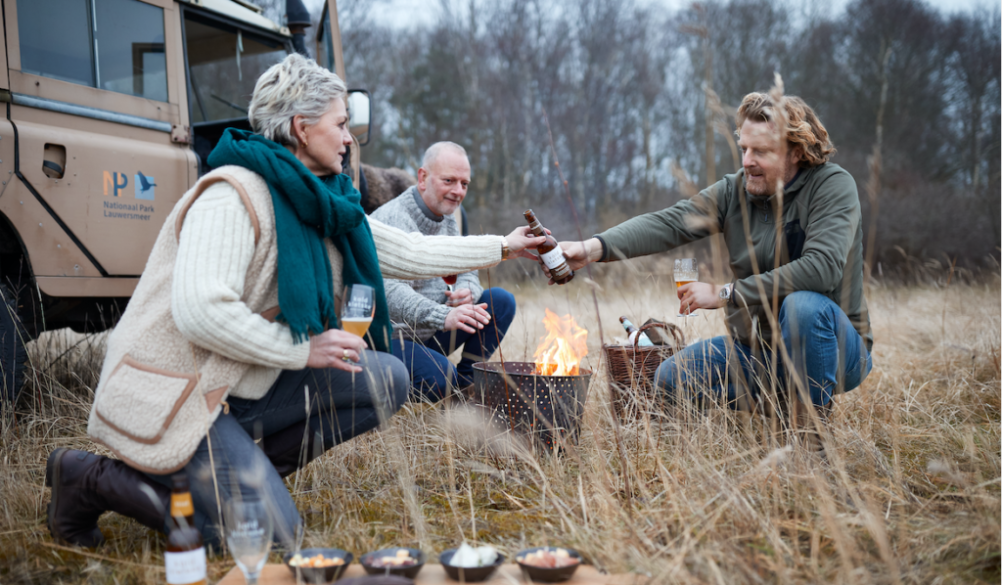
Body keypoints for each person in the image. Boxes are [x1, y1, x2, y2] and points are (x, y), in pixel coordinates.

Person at [44, 54, 545, 549]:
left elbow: (411, 250)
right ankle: (85, 477)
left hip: (239, 382)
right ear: (302, 128)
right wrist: (301, 351)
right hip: (177, 390)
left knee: (387, 375)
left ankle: (244, 478)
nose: (350, 138)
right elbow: (201, 311)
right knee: (266, 538)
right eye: (341, 124)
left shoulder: (319, 201)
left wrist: (506, 245)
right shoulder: (232, 194)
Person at [557, 93, 872, 446]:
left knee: (803, 307)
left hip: (836, 349)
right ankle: (779, 411)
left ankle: (810, 444)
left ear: (795, 151)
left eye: (762, 152)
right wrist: (592, 248)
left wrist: (726, 292)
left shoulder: (832, 186)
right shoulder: (734, 190)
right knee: (670, 377)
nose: (747, 162)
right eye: (743, 149)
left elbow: (823, 268)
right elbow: (669, 223)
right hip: (759, 352)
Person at [370, 142, 515, 401]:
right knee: (440, 378)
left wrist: (467, 291)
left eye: (464, 184)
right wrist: (442, 316)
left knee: (501, 301)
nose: (458, 191)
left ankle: (467, 389)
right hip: (391, 340)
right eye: (449, 180)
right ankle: (441, 385)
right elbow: (390, 294)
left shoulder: (448, 214)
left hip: (434, 331)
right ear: (422, 177)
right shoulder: (394, 218)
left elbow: (467, 270)